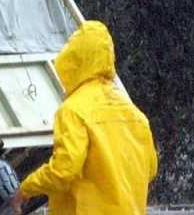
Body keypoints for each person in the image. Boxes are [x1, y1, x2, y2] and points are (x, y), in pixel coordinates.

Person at [9, 20, 158, 215]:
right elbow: (151, 169)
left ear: (73, 59)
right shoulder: (134, 114)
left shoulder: (73, 110)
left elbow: (64, 170)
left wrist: (25, 189)